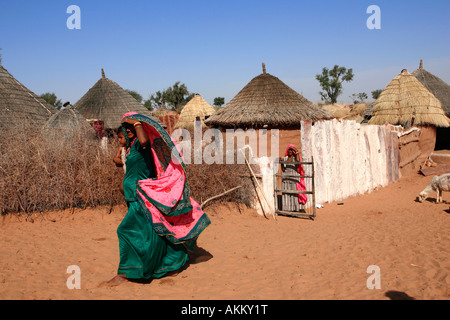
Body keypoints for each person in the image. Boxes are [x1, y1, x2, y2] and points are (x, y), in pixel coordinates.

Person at [106, 111, 210, 286]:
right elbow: (122, 164)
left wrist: (135, 121)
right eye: (127, 128)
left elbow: (145, 140)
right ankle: (173, 263)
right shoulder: (130, 148)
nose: (129, 130)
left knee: (125, 231)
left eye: (132, 127)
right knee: (154, 233)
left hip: (141, 197)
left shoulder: (142, 145)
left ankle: (126, 273)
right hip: (132, 197)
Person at [281, 144, 307, 212]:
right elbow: (283, 169)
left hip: (293, 178)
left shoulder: (295, 158)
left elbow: (298, 162)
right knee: (287, 193)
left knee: (294, 193)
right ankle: (288, 209)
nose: (290, 151)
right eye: (289, 149)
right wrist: (281, 163)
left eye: (292, 150)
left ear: (294, 151)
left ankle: (296, 209)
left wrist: (297, 151)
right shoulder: (285, 158)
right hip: (286, 178)